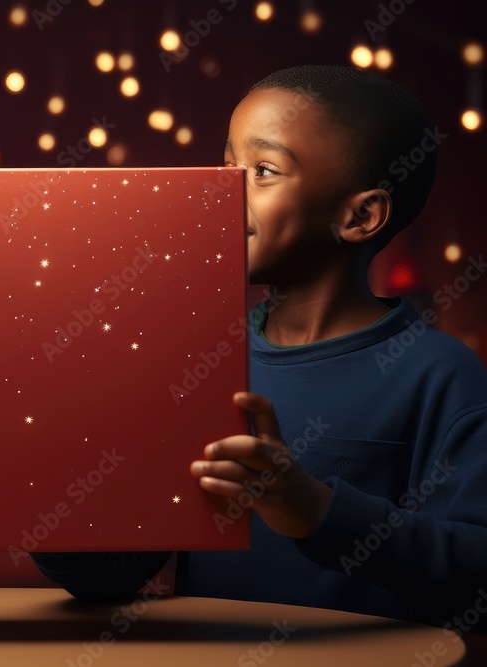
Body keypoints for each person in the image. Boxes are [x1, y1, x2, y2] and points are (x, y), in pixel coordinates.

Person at [31, 65, 487, 633]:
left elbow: (474, 567)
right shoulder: (196, 364)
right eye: (228, 167)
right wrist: (44, 488)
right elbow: (118, 572)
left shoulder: (440, 375)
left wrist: (316, 511)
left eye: (264, 171)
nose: (226, 190)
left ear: (360, 215)